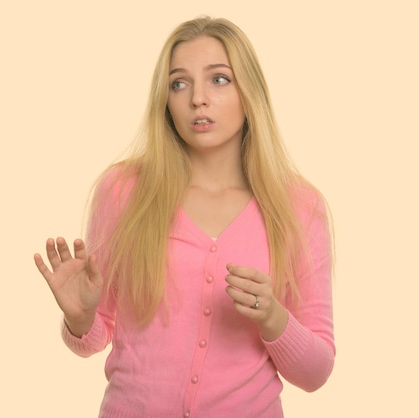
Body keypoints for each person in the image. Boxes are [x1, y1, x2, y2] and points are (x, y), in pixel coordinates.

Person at [34, 16, 335, 418]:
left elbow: (316, 373)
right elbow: (92, 339)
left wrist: (274, 318)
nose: (197, 99)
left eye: (219, 79)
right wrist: (80, 317)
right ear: (165, 99)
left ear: (251, 90)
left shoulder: (299, 207)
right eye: (179, 83)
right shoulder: (123, 191)